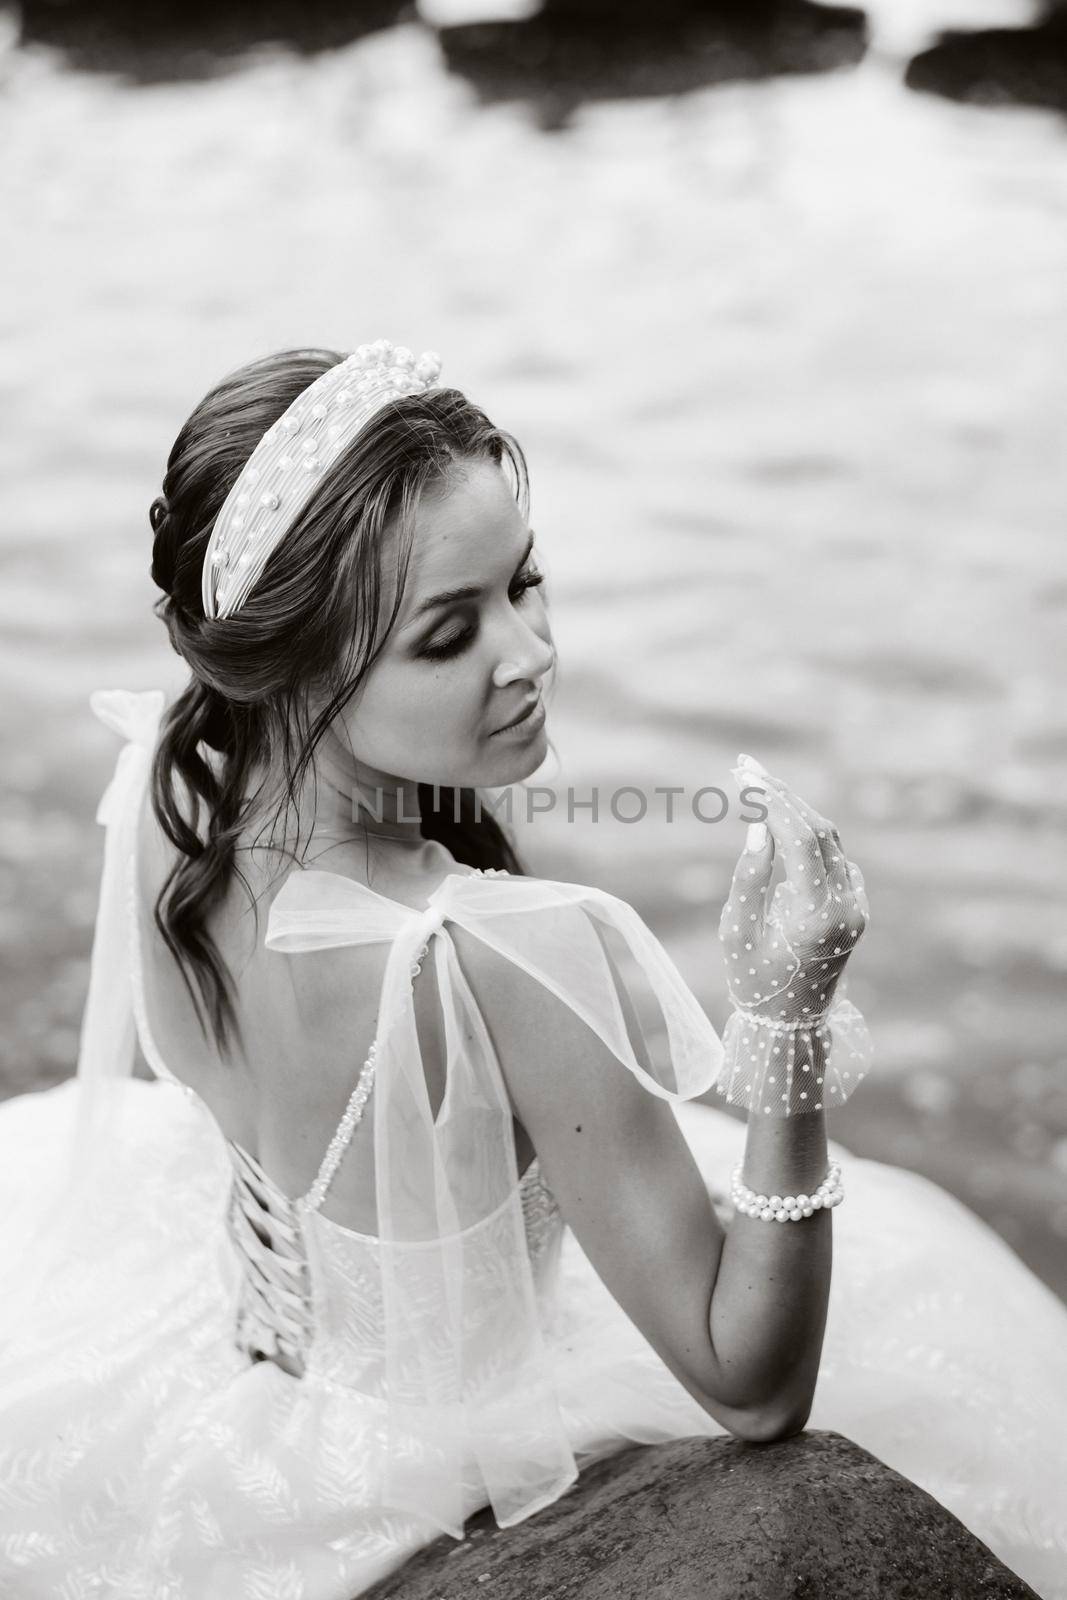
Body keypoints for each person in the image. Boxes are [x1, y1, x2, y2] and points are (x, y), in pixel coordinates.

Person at [0, 339, 1064, 1600]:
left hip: (227, 1390)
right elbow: (752, 1384)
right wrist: (785, 1015)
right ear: (287, 664)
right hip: (444, 1449)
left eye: (526, 580)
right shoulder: (504, 949)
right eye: (449, 634)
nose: (531, 651)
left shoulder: (172, 798)